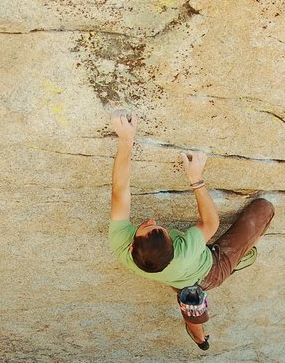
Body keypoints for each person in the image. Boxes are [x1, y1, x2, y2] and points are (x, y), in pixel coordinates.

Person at [108, 110, 275, 350]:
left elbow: (119, 190)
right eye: (152, 226)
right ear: (175, 245)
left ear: (132, 246)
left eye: (151, 226)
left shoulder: (121, 245)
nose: (151, 219)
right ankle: (239, 259)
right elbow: (210, 224)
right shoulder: (186, 250)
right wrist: (196, 178)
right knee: (263, 208)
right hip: (210, 270)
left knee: (188, 294)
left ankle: (199, 338)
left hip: (178, 278)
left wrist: (126, 140)